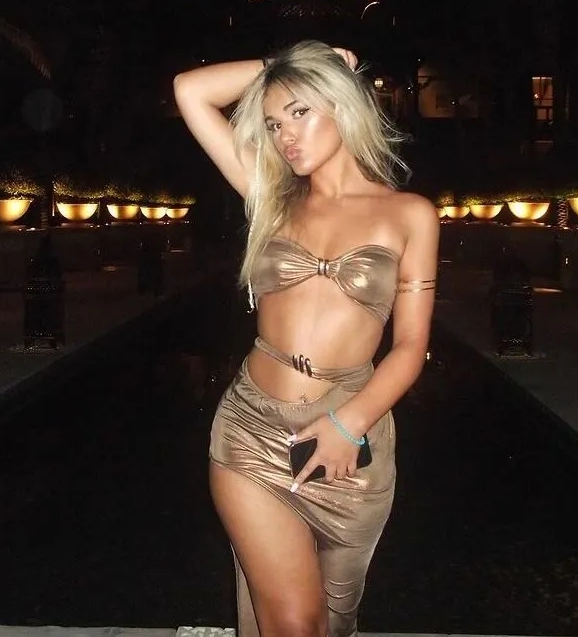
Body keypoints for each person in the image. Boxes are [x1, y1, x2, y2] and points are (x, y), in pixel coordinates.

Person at [173, 39, 439, 637]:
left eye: (300, 112)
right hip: (251, 430)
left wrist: (349, 423)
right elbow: (190, 91)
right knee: (295, 623)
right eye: (273, 123)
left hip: (351, 438)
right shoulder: (269, 197)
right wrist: (287, 69)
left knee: (331, 623)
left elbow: (410, 346)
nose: (285, 135)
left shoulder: (410, 215)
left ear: (342, 105)